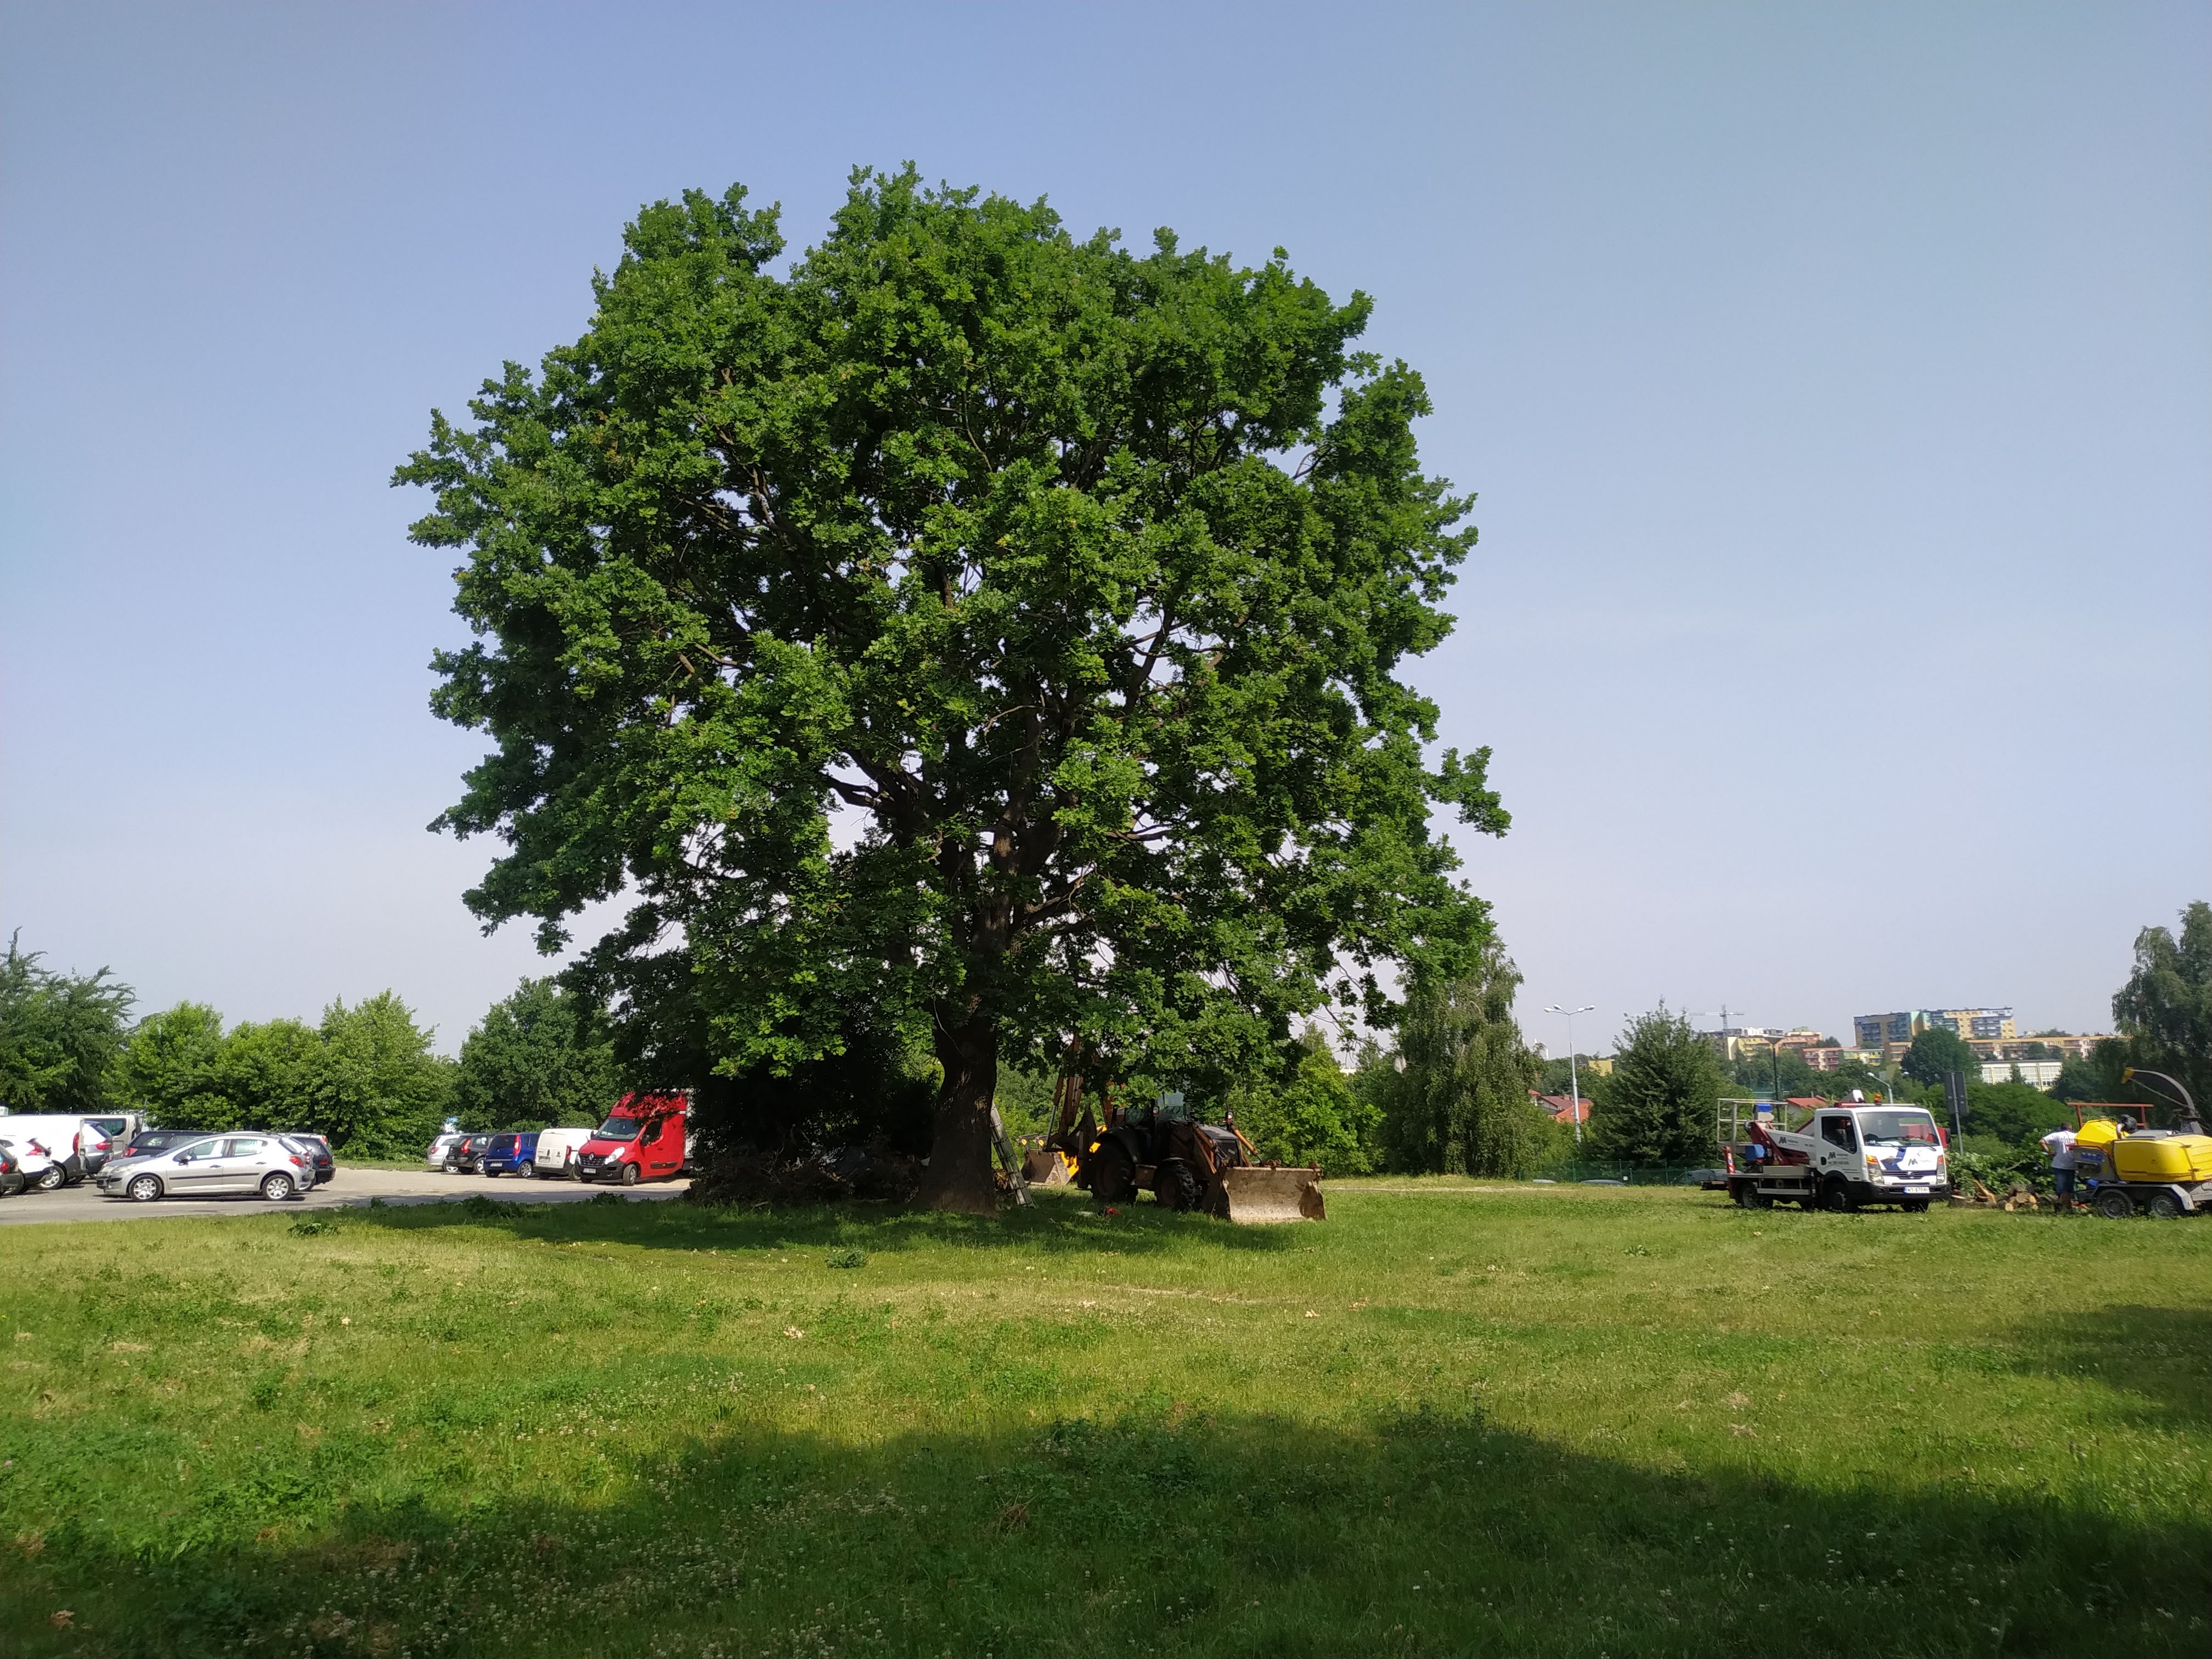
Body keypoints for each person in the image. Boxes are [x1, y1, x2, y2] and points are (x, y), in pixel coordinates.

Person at [2040, 1126, 2079, 1214]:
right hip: (2072, 1165)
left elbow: (2042, 1142)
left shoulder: (2056, 1135)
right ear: (2071, 1129)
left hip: (2059, 1165)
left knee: (2063, 1189)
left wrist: (2049, 1152)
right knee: (2068, 1189)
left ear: (2061, 1129)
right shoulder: (2076, 1136)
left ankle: (2062, 1207)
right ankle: (2067, 1209)